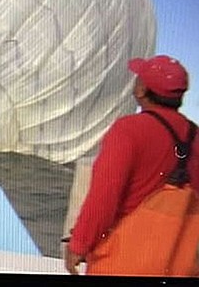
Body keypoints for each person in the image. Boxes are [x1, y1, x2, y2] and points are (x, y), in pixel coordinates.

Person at [64, 55, 199, 276]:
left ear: (142, 90)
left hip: (124, 262)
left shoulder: (128, 130)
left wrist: (79, 244)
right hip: (179, 265)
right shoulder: (196, 137)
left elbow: (103, 198)